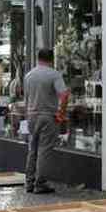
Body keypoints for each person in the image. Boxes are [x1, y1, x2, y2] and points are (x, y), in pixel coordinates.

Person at [24, 48, 70, 194]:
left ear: (38, 58)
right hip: (47, 116)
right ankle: (40, 183)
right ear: (51, 59)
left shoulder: (29, 76)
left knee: (33, 149)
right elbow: (64, 95)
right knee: (44, 150)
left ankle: (29, 182)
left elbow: (26, 98)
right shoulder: (54, 74)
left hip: (31, 115)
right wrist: (61, 113)